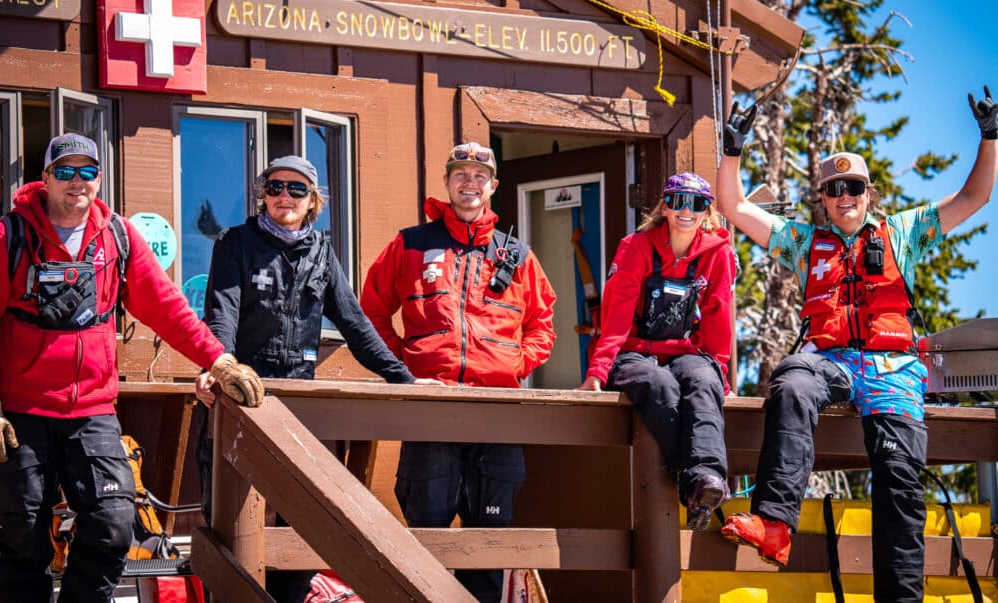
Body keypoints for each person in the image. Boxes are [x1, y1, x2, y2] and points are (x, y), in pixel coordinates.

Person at [715, 89, 998, 602]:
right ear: (822, 197)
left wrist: (991, 138)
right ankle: (775, 524)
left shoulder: (903, 231)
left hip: (893, 371)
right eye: (833, 188)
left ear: (869, 192)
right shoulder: (805, 242)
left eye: (854, 187)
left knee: (900, 486)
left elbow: (973, 198)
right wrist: (732, 148)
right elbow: (732, 206)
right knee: (793, 380)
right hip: (833, 362)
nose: (844, 196)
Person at [0, 132, 263, 603]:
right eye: (64, 171)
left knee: (112, 524)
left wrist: (219, 359)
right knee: (24, 534)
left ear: (99, 179)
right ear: (45, 178)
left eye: (86, 172)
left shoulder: (119, 238)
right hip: (22, 413)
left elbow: (168, 309)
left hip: (92, 412)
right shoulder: (6, 238)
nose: (76, 182)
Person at [194, 154, 434, 602]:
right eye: (274, 187)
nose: (284, 196)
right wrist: (219, 367)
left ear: (313, 201)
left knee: (301, 529)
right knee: (229, 528)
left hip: (299, 407)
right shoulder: (234, 243)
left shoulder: (322, 253)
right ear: (262, 195)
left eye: (296, 189)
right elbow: (220, 315)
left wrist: (403, 379)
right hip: (241, 400)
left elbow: (355, 324)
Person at [360, 142, 557, 603]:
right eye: (460, 174)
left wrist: (513, 366)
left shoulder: (518, 255)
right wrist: (403, 371)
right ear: (447, 183)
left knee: (489, 542)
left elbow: (543, 325)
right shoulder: (411, 244)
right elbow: (368, 312)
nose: (469, 183)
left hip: (497, 414)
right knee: (427, 537)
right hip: (432, 407)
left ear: (493, 186)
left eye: (479, 175)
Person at [578, 172, 736, 531]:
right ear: (665, 206)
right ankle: (694, 480)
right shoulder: (636, 246)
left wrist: (721, 377)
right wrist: (597, 372)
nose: (686, 211)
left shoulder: (718, 254)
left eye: (695, 204)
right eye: (677, 201)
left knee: (702, 379)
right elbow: (616, 314)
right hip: (634, 353)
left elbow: (718, 317)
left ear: (706, 212)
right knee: (658, 383)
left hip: (686, 352)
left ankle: (709, 476)